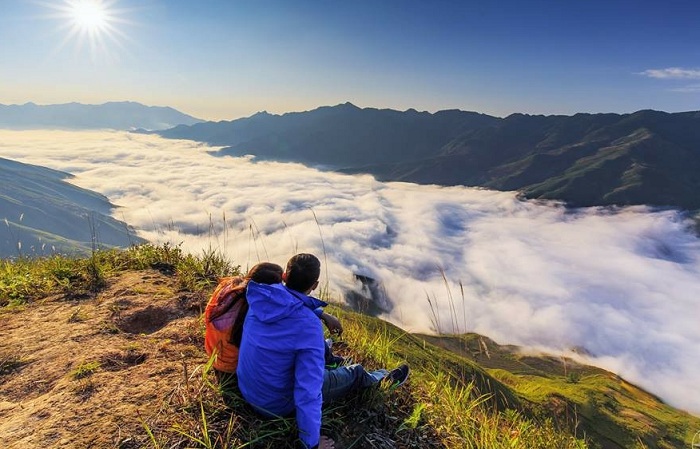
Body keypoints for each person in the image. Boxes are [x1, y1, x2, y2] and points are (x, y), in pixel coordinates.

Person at [237, 253, 409, 449]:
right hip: (275, 404)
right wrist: (311, 443)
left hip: (249, 389)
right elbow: (308, 390)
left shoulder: (261, 296)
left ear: (284, 276)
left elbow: (290, 303)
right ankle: (383, 380)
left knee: (319, 345)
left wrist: (322, 313)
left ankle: (330, 360)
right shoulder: (308, 326)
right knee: (355, 372)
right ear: (315, 285)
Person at [204, 261, 347, 401]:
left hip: (214, 357)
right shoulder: (254, 311)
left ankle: (326, 355)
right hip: (232, 368)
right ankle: (329, 360)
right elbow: (289, 308)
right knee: (298, 334)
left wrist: (321, 314)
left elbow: (289, 305)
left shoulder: (230, 288)